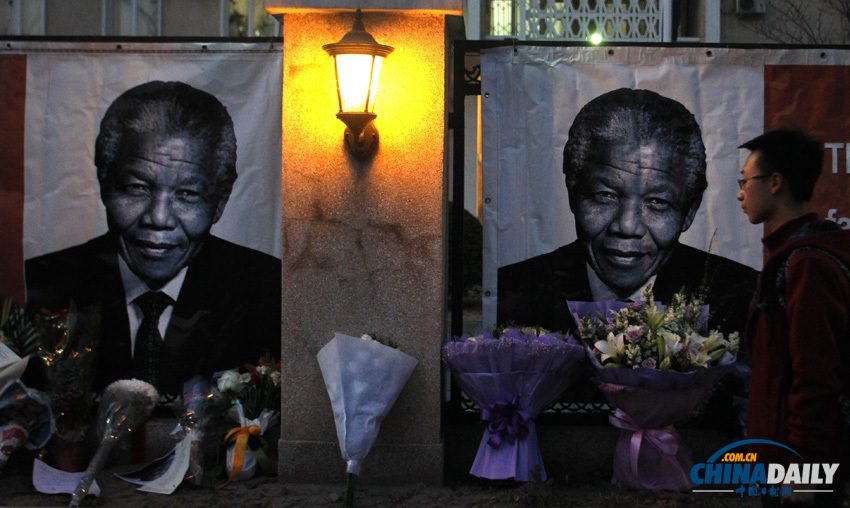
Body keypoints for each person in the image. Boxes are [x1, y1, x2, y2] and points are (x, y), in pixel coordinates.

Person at [25, 81, 281, 396]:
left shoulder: (267, 292)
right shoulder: (40, 288)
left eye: (187, 194)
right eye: (137, 188)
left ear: (220, 200)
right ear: (105, 183)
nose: (158, 218)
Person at [498, 88, 757, 336]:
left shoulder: (741, 297)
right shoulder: (512, 291)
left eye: (657, 202)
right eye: (605, 196)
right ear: (573, 193)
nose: (627, 226)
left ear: (689, 210)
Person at [738, 128, 850, 507]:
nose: (740, 193)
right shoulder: (794, 255)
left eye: (745, 181)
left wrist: (805, 464)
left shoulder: (808, 264)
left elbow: (815, 373)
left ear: (775, 183)